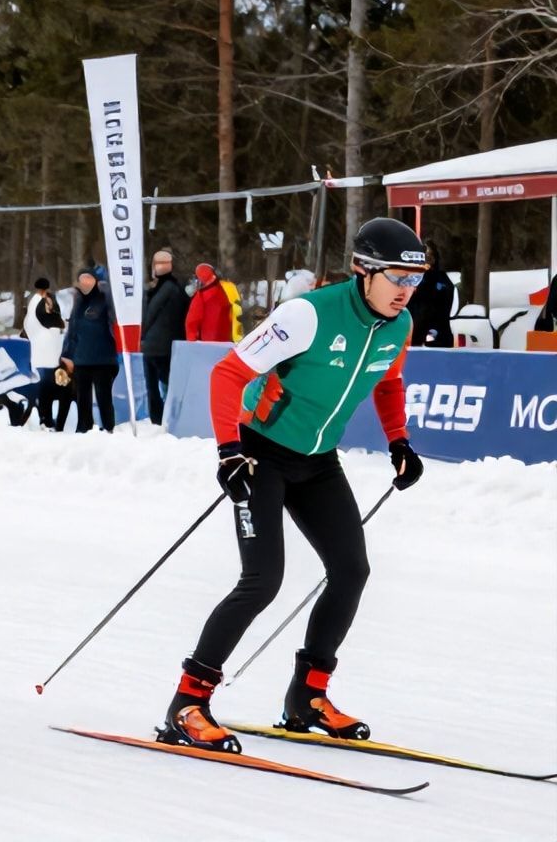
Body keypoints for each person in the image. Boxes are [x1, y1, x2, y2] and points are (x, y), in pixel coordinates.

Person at [159, 218, 429, 753]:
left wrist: (398, 442)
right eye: (396, 276)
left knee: (352, 570)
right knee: (262, 581)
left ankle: (308, 696)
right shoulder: (307, 314)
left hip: (318, 462)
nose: (405, 290)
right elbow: (228, 374)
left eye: (414, 280)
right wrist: (229, 450)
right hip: (261, 455)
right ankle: (188, 703)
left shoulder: (400, 325)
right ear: (363, 270)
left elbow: (389, 380)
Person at [59, 266, 118, 433]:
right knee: (82, 398)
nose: (85, 282)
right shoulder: (77, 302)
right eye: (82, 279)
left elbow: (114, 323)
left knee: (103, 397)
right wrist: (66, 355)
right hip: (81, 360)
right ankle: (84, 427)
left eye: (89, 279)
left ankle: (108, 428)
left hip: (103, 360)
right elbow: (72, 332)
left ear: (96, 281)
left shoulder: (105, 300)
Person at [141, 249, 188, 425]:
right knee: (166, 384)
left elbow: (149, 314)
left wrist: (142, 334)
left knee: (155, 386)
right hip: (167, 345)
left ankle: (159, 419)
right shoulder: (176, 288)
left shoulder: (161, 289)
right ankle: (167, 418)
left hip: (155, 346)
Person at [23, 277, 70, 429]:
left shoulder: (32, 303)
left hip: (41, 353)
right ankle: (46, 419)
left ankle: (45, 418)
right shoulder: (41, 303)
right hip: (47, 353)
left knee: (45, 388)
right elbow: (51, 320)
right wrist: (61, 321)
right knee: (47, 389)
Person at [405, 239, 455, 347]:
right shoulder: (411, 279)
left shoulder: (442, 281)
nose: (427, 260)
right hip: (412, 335)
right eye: (425, 256)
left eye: (430, 256)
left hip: (436, 336)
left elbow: (442, 310)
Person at [186, 264, 235, 343]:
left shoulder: (201, 297)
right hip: (224, 342)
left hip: (206, 343)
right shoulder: (223, 293)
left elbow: (192, 321)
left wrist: (191, 340)